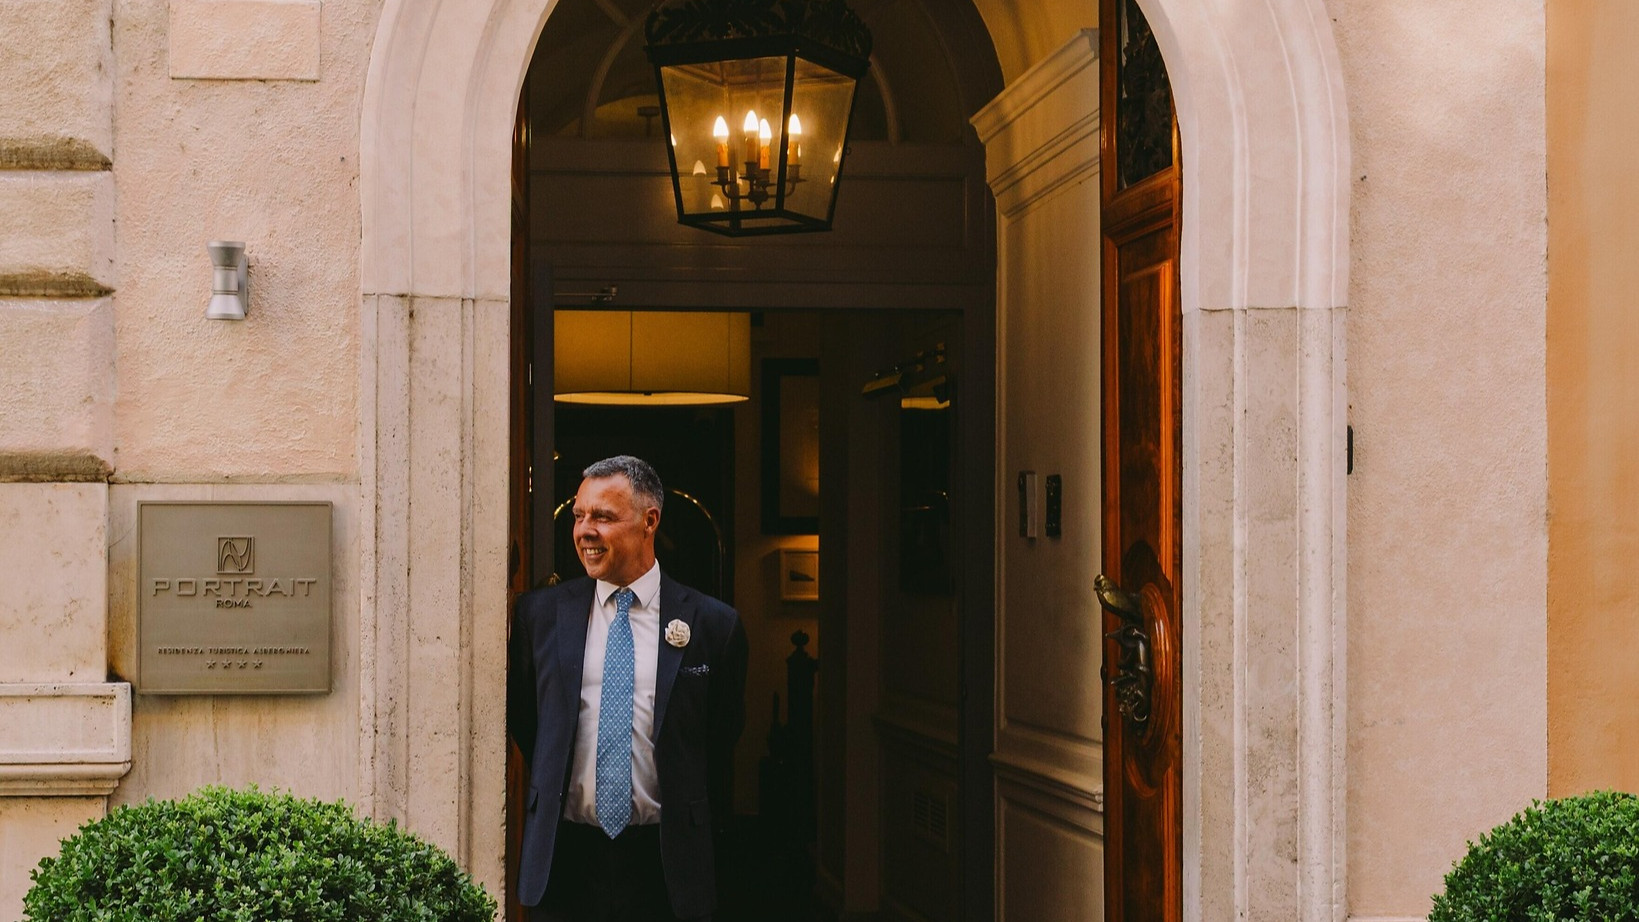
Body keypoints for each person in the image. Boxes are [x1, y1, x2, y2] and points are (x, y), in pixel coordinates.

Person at [508, 455, 748, 921]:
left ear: (649, 521)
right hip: (566, 859)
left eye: (603, 516)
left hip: (666, 861)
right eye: (579, 516)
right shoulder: (538, 616)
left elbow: (720, 736)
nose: (584, 531)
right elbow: (528, 721)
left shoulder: (714, 625)